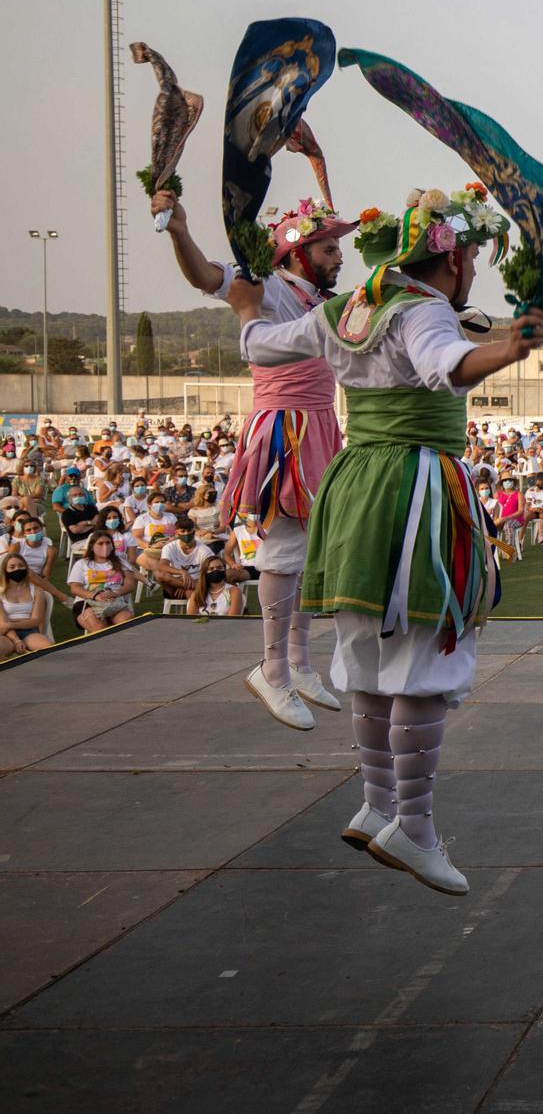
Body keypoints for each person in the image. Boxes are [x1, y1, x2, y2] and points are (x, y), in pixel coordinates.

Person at [228, 184, 543, 896]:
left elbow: (259, 343)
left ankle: (376, 804)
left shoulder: (343, 308)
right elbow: (447, 364)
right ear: (453, 256)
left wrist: (246, 305)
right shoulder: (425, 309)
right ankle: (418, 825)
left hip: (351, 486)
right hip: (416, 488)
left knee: (366, 654)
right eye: (470, 253)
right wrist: (509, 348)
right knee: (424, 654)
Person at [154, 190, 349, 725]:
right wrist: (178, 230)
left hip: (321, 426)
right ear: (295, 253)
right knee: (286, 546)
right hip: (284, 428)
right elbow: (203, 276)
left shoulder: (317, 301)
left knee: (312, 548)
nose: (339, 258)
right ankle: (273, 669)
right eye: (329, 249)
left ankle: (299, 661)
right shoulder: (267, 287)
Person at [67, 529, 137, 632]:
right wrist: (95, 596)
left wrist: (117, 593)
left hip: (114, 600)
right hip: (87, 602)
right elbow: (75, 588)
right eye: (100, 543)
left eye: (108, 543)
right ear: (92, 546)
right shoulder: (82, 564)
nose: (105, 546)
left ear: (112, 545)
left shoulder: (120, 561)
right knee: (99, 627)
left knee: (126, 622)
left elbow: (130, 583)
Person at [0, 554, 52, 656]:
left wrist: (11, 624)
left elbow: (35, 621)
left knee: (49, 648)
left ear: (26, 568)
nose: (17, 569)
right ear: (5, 571)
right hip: (6, 634)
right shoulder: (0, 592)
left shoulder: (37, 591)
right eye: (12, 567)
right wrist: (16, 640)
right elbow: (3, 624)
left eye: (21, 565)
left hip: (29, 632)